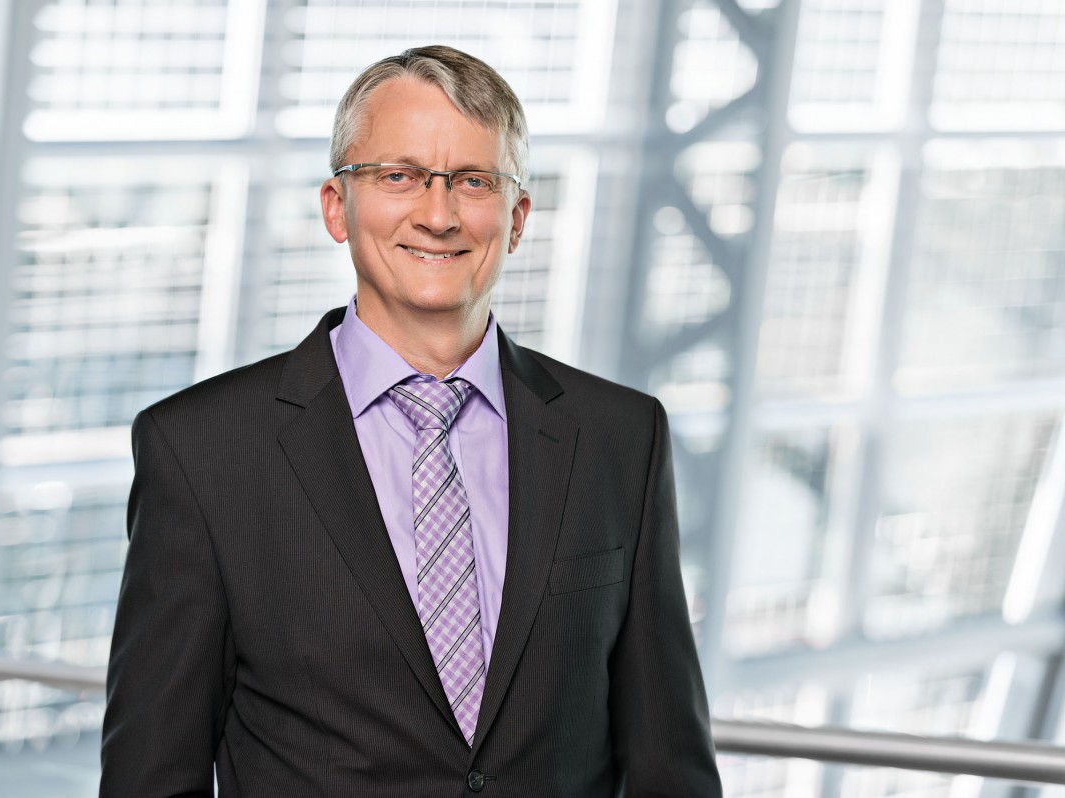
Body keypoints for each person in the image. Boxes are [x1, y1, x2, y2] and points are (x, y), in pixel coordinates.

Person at [100, 45, 721, 797]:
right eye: (398, 176)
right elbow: (150, 778)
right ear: (338, 207)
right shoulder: (201, 450)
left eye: (474, 181)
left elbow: (670, 767)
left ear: (517, 218)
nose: (438, 214)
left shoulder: (621, 438)